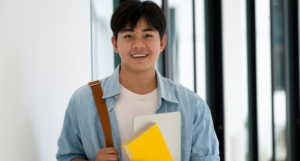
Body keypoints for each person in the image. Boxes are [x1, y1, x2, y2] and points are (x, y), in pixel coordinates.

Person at [56, 0, 220, 161]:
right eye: (128, 36)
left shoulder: (193, 106)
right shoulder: (83, 100)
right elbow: (67, 155)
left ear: (162, 42)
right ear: (115, 43)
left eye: (148, 35)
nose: (138, 44)